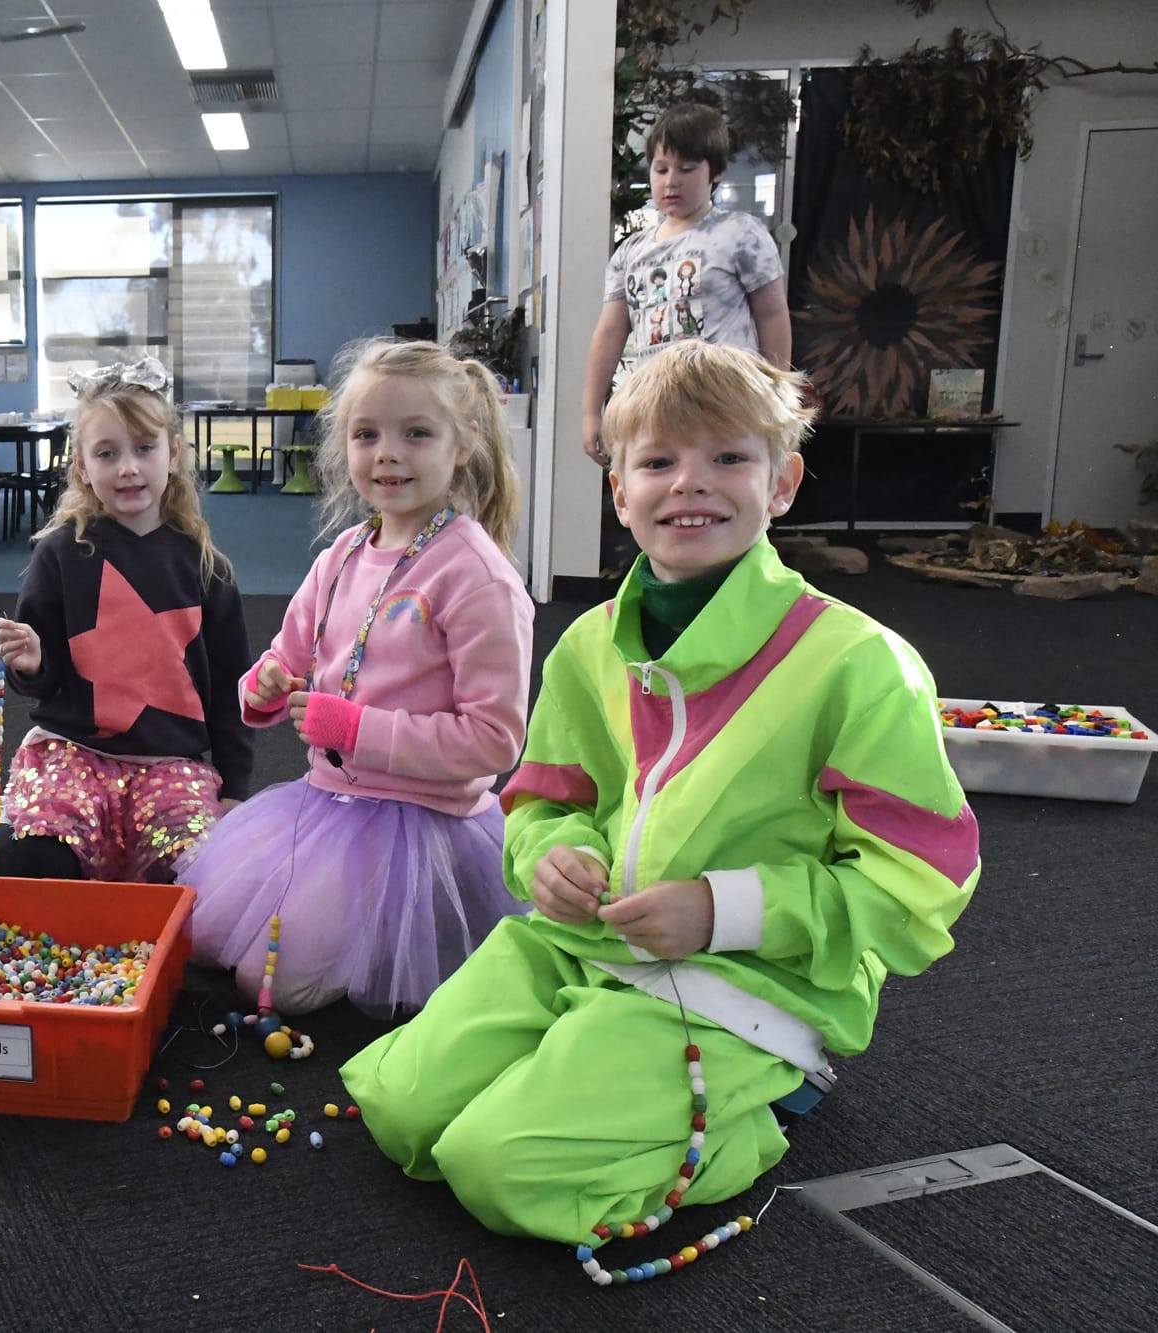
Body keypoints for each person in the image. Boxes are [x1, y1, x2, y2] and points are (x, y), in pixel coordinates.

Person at [341, 341, 978, 1252]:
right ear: (620, 492)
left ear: (784, 481)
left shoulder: (858, 664)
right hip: (578, 942)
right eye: (658, 460)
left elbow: (920, 880)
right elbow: (540, 799)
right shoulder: (590, 646)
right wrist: (549, 857)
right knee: (397, 1108)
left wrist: (723, 909)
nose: (691, 483)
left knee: (497, 1166)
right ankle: (587, 1058)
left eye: (728, 457)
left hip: (740, 985)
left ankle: (762, 1104)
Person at [181, 339, 535, 1017]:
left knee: (272, 986)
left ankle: (403, 929)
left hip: (426, 824)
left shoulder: (477, 576)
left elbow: (494, 741)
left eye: (417, 434)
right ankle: (350, 924)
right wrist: (264, 687)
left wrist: (356, 729)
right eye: (366, 434)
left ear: (462, 446)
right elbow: (290, 656)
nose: (387, 453)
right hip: (327, 804)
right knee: (201, 935)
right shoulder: (341, 555)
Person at [0, 357, 254, 883]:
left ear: (173, 455)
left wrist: (235, 787)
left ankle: (20, 825)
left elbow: (230, 686)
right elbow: (40, 684)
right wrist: (34, 664)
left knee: (193, 884)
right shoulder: (61, 555)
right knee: (32, 868)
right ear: (82, 467)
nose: (128, 467)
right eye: (107, 454)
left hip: (171, 765)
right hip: (73, 755)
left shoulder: (206, 567)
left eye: (144, 449)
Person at [580, 102, 789, 469]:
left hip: (727, 403)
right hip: (655, 405)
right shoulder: (631, 251)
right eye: (661, 169)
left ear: (716, 172)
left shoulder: (741, 234)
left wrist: (778, 391)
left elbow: (772, 315)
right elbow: (610, 331)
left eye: (686, 169)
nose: (671, 180)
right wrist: (590, 411)